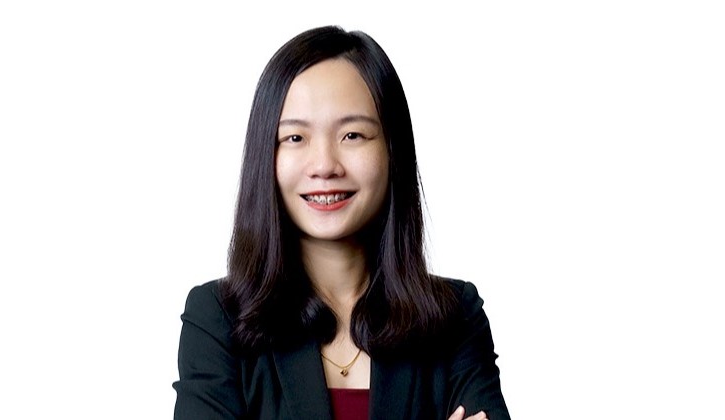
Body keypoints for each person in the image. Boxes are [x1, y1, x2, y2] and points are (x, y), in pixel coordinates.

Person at [173, 26, 510, 420]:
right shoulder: (218, 320)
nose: (324, 166)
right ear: (266, 155)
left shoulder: (455, 317)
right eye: (295, 138)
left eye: (352, 135)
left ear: (393, 149)